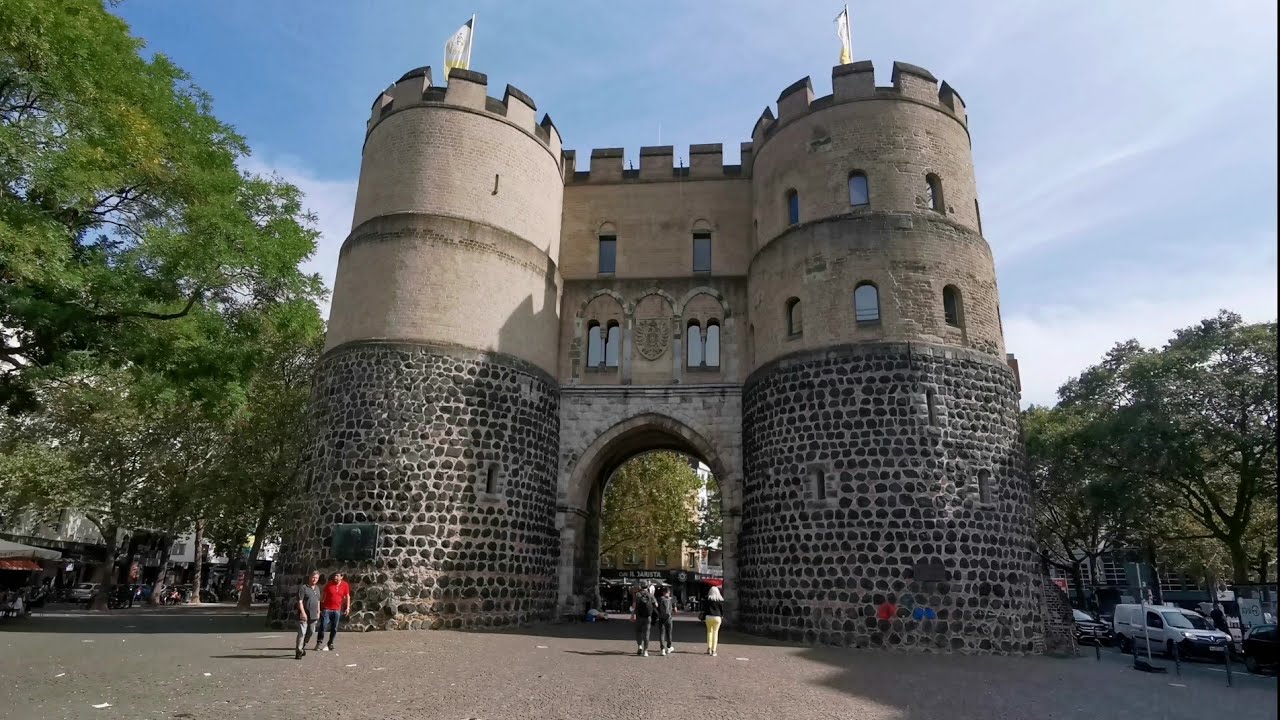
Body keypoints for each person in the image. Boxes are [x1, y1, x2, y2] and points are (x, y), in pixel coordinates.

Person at [316, 571, 351, 652]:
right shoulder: (329, 584)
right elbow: (323, 595)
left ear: (341, 577)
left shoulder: (345, 585)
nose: (335, 577)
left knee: (334, 628)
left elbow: (347, 596)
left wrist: (347, 608)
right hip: (327, 609)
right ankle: (319, 642)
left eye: (337, 576)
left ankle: (330, 643)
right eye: (335, 576)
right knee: (323, 625)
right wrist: (320, 606)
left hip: (337, 609)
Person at [294, 570, 321, 660]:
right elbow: (300, 602)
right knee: (302, 633)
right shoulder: (303, 588)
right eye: (313, 577)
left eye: (316, 578)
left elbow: (318, 601)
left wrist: (318, 611)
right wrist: (303, 612)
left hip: (313, 615)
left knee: (311, 631)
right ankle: (298, 651)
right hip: (304, 615)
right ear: (310, 577)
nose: (314, 579)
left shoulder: (317, 589)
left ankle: (303, 645)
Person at [629, 584, 656, 656]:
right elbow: (656, 605)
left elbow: (634, 605)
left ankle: (639, 646)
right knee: (646, 633)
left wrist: (632, 614)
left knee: (638, 631)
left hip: (639, 616)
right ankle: (645, 651)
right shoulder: (650, 595)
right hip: (648, 617)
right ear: (647, 587)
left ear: (641, 587)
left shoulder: (637, 594)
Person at [701, 585, 725, 657]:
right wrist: (722, 616)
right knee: (715, 633)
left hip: (708, 617)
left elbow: (705, 610)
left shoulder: (707, 600)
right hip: (717, 617)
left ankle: (709, 648)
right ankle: (714, 650)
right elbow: (722, 610)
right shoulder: (720, 601)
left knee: (709, 632)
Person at [655, 585, 676, 656]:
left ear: (663, 592)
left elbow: (656, 607)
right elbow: (675, 610)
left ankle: (662, 649)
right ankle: (669, 647)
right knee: (669, 633)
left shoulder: (659, 599)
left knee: (662, 634)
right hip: (669, 619)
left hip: (661, 618)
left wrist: (658, 614)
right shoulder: (672, 599)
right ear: (669, 592)